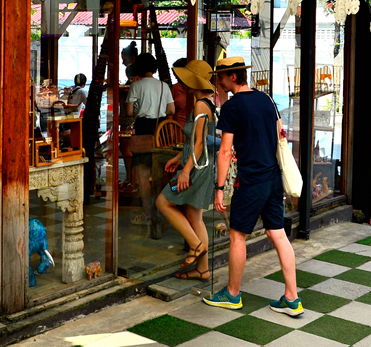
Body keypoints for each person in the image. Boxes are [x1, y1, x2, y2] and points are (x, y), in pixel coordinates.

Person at [204, 56, 303, 317]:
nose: (218, 82)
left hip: (250, 181)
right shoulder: (266, 99)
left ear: (233, 77)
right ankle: (292, 297)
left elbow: (225, 151)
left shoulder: (232, 107)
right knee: (278, 234)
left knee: (238, 236)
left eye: (220, 77)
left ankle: (232, 294)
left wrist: (219, 188)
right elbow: (280, 133)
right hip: (273, 179)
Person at [156, 60, 218, 281]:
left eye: (186, 79)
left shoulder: (201, 105)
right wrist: (178, 158)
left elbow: (199, 143)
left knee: (163, 202)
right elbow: (197, 141)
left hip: (196, 169)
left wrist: (185, 171)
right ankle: (203, 269)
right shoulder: (208, 102)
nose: (182, 83)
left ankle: (195, 245)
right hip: (202, 166)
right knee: (194, 216)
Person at [125, 52, 174, 226]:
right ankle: (163, 211)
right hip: (161, 131)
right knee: (161, 174)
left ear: (138, 68)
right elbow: (171, 110)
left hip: (143, 129)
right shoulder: (163, 86)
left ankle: (147, 214)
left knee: (143, 176)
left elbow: (129, 112)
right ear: (154, 68)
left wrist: (140, 109)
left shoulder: (136, 86)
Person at [170, 58, 189, 125]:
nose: (176, 77)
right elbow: (171, 111)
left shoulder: (198, 88)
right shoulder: (176, 88)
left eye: (177, 74)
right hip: (177, 126)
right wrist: (171, 128)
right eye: (175, 75)